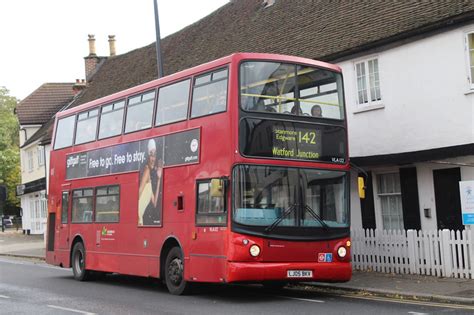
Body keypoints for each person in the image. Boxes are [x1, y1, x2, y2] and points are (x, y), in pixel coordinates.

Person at [138, 139, 163, 225]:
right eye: (151, 155)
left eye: (154, 155)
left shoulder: (150, 179)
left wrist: (159, 179)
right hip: (138, 216)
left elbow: (155, 203)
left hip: (140, 218)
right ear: (148, 156)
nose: (153, 158)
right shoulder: (147, 170)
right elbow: (139, 192)